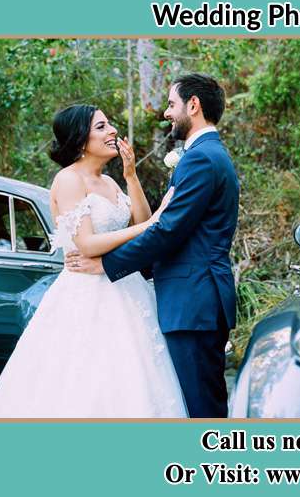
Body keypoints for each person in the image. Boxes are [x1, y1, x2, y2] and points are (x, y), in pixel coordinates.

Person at [0, 104, 186, 418]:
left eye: (109, 124)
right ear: (80, 140)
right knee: (83, 379)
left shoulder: (110, 182)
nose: (113, 131)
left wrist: (131, 177)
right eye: (101, 127)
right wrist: (148, 225)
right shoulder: (68, 180)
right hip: (87, 293)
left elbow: (143, 223)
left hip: (126, 290)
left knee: (134, 377)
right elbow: (87, 244)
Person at [66, 74, 239, 418]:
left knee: (201, 409)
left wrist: (106, 265)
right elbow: (164, 227)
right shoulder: (205, 155)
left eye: (172, 104)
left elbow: (167, 230)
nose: (166, 113)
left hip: (193, 302)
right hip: (192, 300)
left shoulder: (201, 159)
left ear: (194, 105)